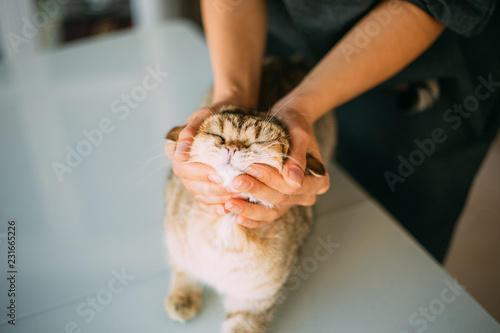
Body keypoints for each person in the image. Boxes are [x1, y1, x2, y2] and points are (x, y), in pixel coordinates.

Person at [165, 0, 500, 262]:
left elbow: (433, 3)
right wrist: (231, 96)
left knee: (389, 254)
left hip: (419, 77)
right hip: (273, 37)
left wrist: (301, 107)